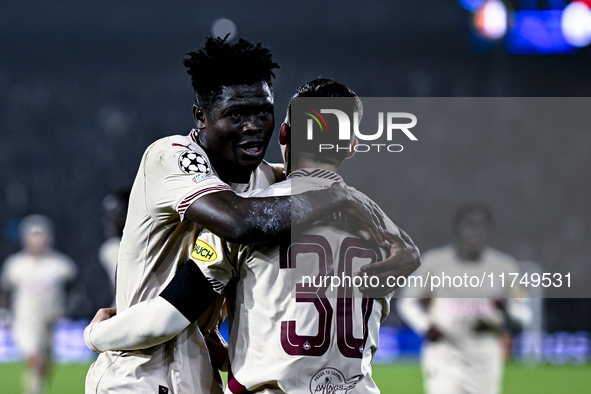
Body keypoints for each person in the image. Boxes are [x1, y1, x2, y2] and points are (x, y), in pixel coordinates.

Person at [85, 37, 414, 394]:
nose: (254, 125)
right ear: (201, 116)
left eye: (262, 112)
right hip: (140, 370)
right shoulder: (171, 157)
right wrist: (345, 198)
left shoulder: (262, 185)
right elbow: (240, 221)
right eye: (236, 114)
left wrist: (403, 244)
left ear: (283, 129)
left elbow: (296, 185)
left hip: (198, 372)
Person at [397, 204, 530, 394]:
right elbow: (407, 302)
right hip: (445, 354)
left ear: (489, 231)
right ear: (457, 229)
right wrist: (426, 326)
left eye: (481, 225)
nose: (475, 231)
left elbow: (524, 315)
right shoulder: (434, 263)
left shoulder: (504, 267)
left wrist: (507, 310)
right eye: (469, 225)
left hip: (485, 357)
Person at [0, 215, 77, 394]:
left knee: (44, 366)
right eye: (33, 235)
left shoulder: (61, 265)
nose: (37, 239)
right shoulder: (15, 265)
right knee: (35, 359)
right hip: (24, 322)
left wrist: (66, 308)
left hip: (50, 323)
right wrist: (4, 313)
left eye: (40, 234)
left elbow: (72, 288)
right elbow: (5, 291)